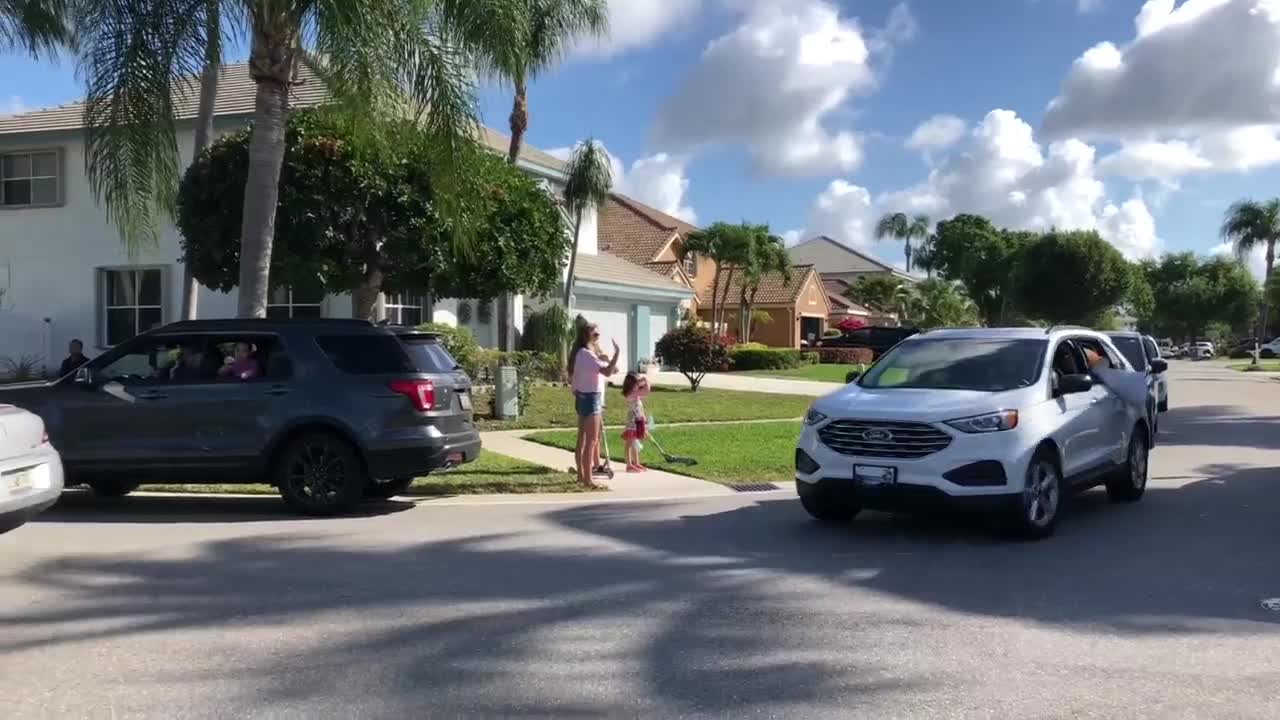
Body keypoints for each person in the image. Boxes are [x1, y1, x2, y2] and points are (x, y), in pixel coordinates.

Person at [568, 323, 619, 489]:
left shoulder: (582, 354)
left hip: (582, 397)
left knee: (582, 439)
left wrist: (606, 360)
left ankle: (581, 477)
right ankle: (588, 479)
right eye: (594, 333)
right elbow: (608, 372)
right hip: (591, 398)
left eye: (598, 332)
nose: (598, 335)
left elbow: (609, 369)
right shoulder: (587, 355)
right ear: (586, 336)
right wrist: (617, 353)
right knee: (592, 440)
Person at [621, 372, 651, 473]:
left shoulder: (635, 394)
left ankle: (636, 462)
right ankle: (629, 465)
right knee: (629, 443)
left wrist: (644, 419)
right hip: (632, 423)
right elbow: (646, 390)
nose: (638, 385)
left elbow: (640, 407)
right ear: (631, 384)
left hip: (637, 421)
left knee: (635, 443)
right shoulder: (631, 394)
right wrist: (645, 380)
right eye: (636, 383)